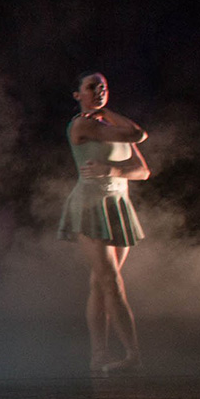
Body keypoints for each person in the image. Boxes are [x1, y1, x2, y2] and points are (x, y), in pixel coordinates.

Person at [58, 72, 149, 375]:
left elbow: (142, 170)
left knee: (100, 284)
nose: (98, 92)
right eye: (91, 88)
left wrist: (111, 169)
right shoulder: (82, 125)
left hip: (117, 204)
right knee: (111, 282)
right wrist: (105, 115)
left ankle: (98, 355)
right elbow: (138, 135)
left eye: (103, 88)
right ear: (78, 94)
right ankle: (133, 355)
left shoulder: (111, 126)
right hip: (90, 205)